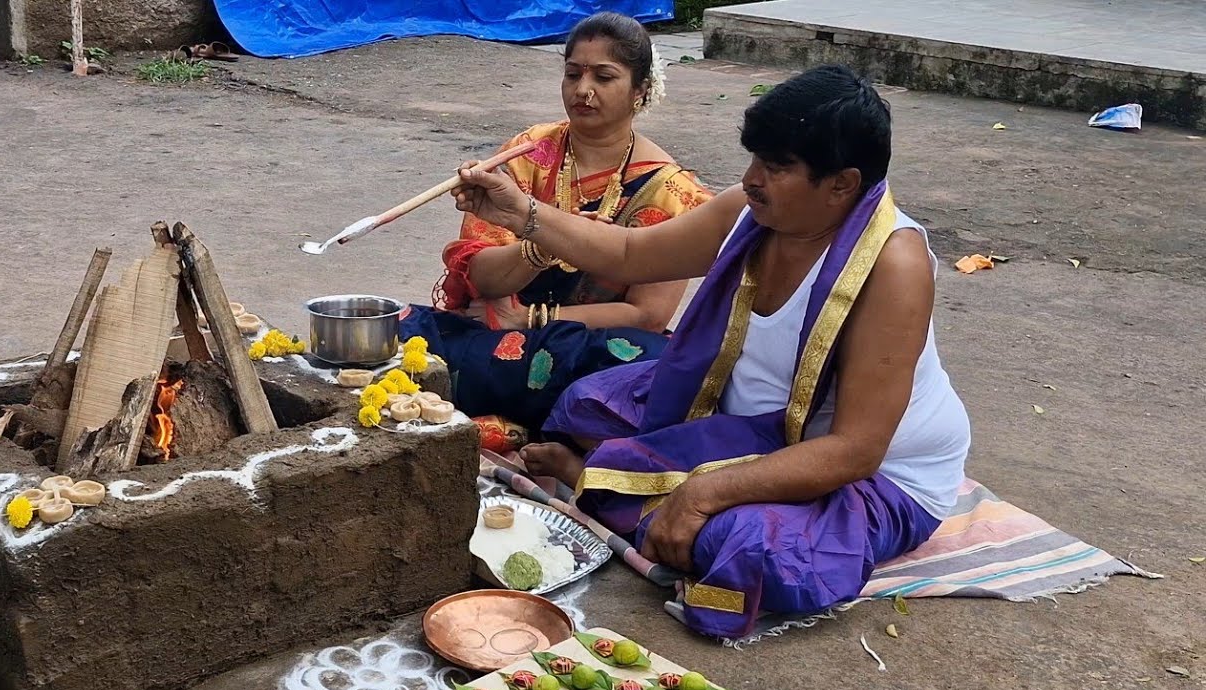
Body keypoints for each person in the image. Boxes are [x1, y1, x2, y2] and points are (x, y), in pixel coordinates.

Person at [451, 64, 971, 639]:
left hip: (870, 475)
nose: (751, 180)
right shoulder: (751, 212)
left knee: (752, 551)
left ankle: (601, 483)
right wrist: (519, 212)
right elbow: (630, 256)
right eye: (753, 160)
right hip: (745, 425)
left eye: (775, 168)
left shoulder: (893, 265)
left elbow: (854, 451)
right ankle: (617, 486)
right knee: (586, 402)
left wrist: (705, 492)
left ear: (842, 185)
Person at [398, 11, 712, 436]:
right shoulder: (525, 153)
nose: (583, 90)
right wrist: (538, 248)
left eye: (604, 77)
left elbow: (646, 315)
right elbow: (481, 278)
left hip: (584, 343)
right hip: (490, 332)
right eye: (572, 74)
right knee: (395, 331)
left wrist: (532, 319)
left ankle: (498, 414)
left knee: (648, 364)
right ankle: (550, 425)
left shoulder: (670, 190)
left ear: (640, 89)